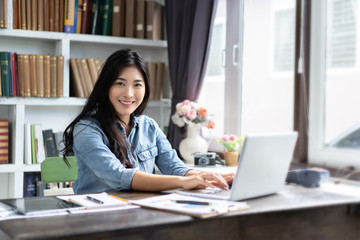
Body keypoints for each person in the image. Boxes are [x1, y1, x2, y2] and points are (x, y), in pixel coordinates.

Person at [63, 49, 234, 194]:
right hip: (95, 218)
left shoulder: (149, 126)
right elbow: (119, 175)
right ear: (106, 86)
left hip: (141, 211)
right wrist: (182, 182)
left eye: (137, 85)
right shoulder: (86, 129)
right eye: (120, 84)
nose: (129, 93)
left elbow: (175, 168)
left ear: (146, 89)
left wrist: (206, 177)